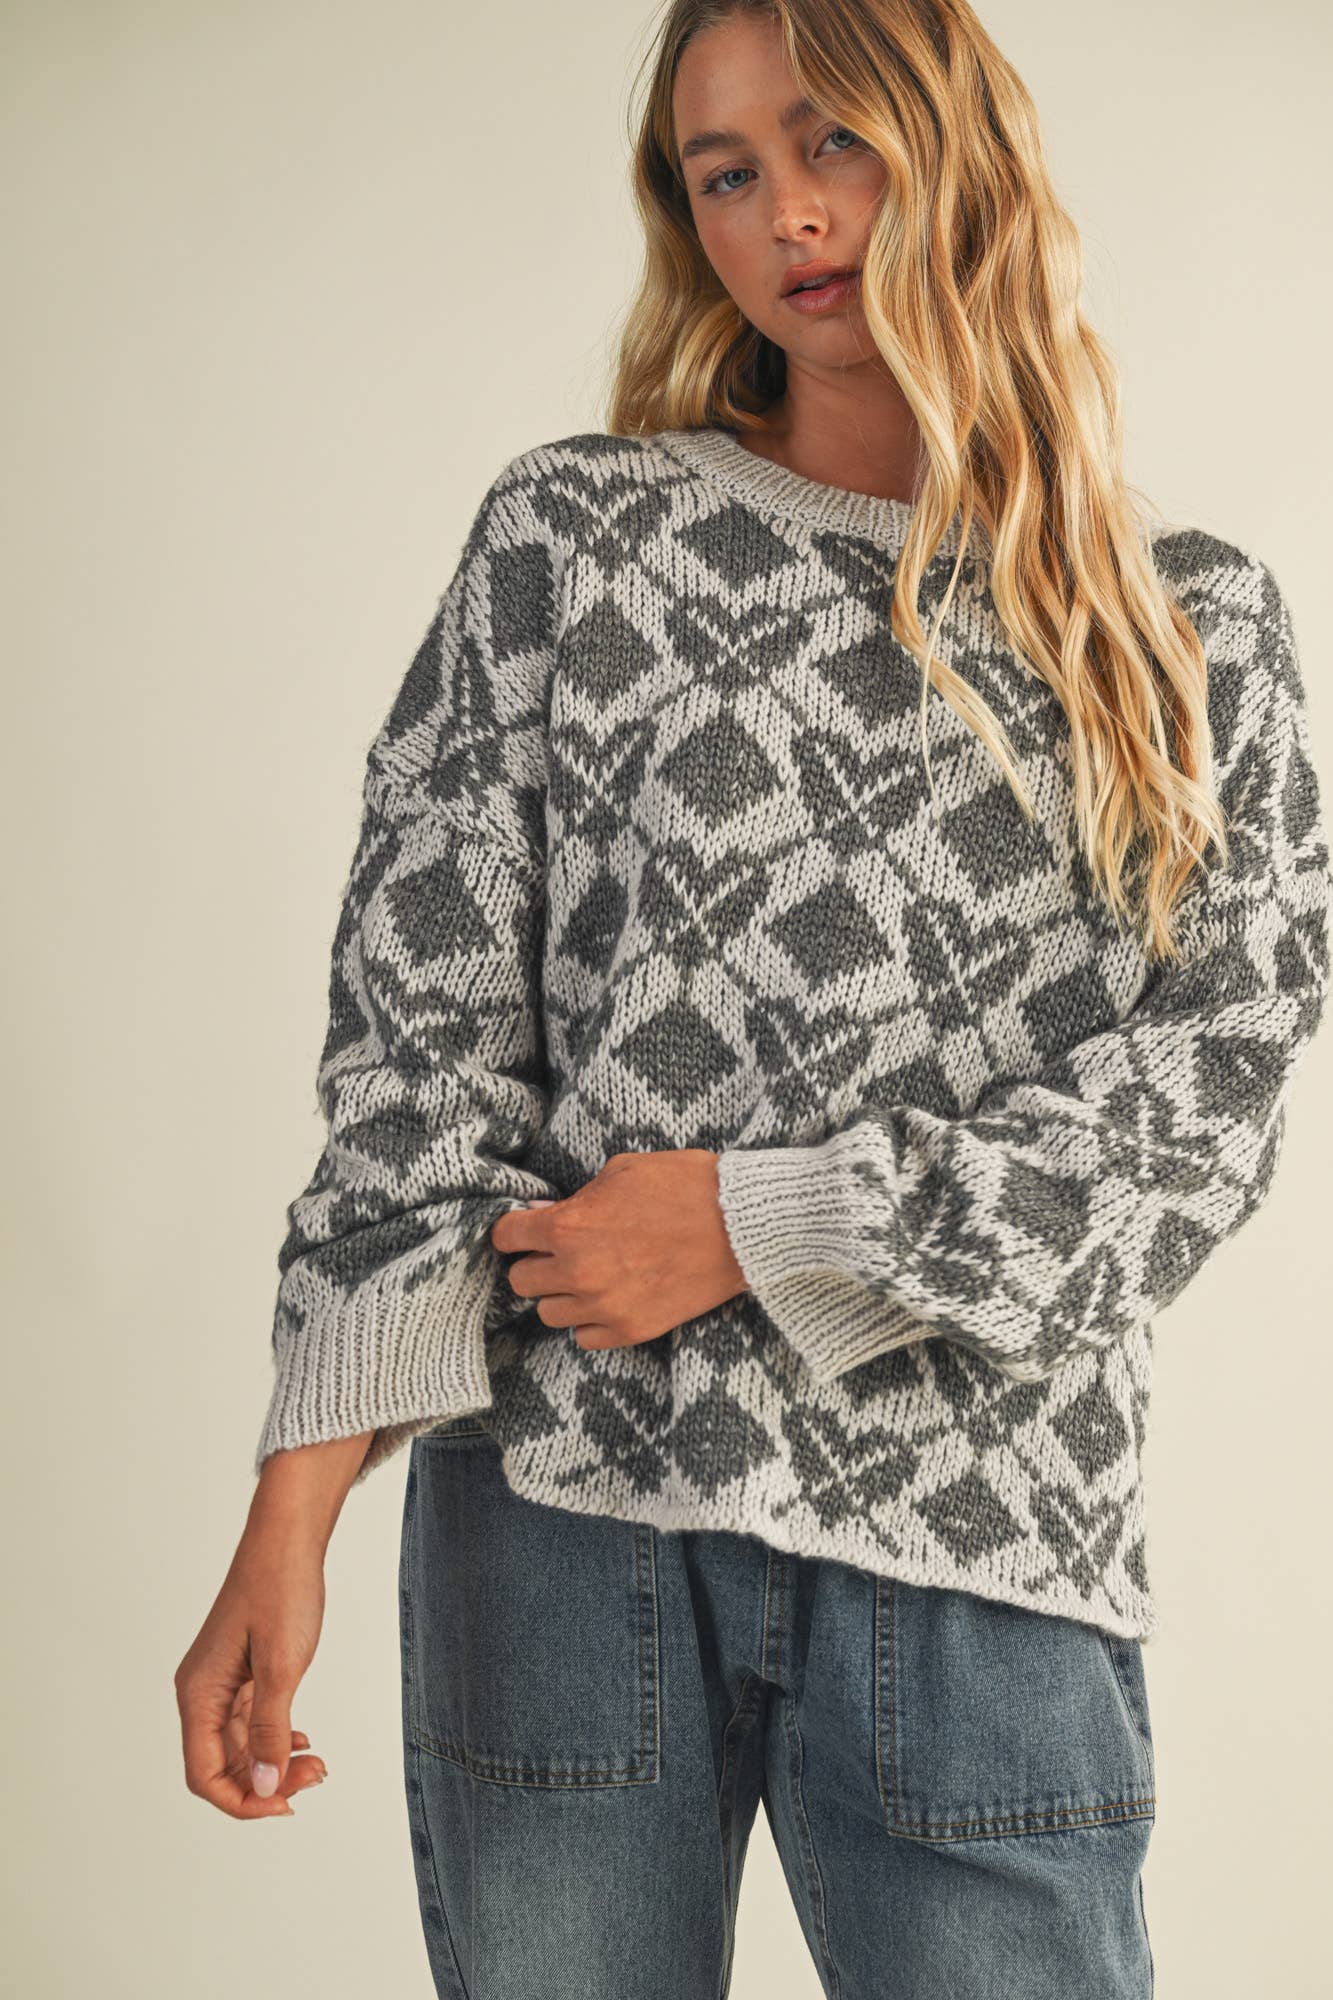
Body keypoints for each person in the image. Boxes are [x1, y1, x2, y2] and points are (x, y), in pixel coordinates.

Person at [174, 1, 1332, 1993]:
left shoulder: (1186, 623)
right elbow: (418, 1042)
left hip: (981, 1542)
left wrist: (756, 1218)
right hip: (560, 1525)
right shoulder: (572, 542)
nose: (786, 211)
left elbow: (1203, 1113)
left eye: (833, 141)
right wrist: (292, 1509)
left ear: (955, 148)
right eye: (724, 172)